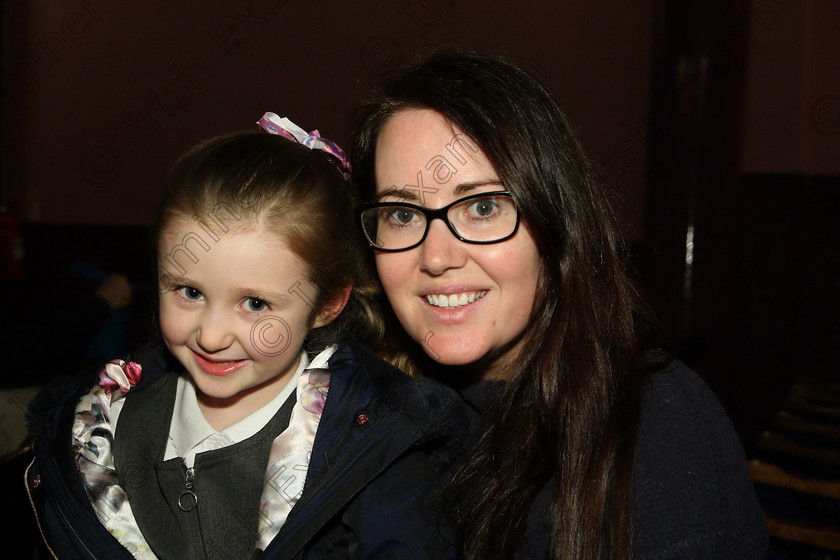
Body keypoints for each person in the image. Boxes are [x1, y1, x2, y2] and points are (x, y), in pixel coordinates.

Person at [350, 50, 768, 559]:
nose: (435, 256)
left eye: (483, 207)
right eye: (402, 214)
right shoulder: (367, 408)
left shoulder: (654, 429)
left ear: (557, 224)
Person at [24, 115, 467, 559]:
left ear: (327, 303)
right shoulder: (98, 428)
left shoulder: (379, 458)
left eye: (255, 304)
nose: (212, 336)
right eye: (189, 292)